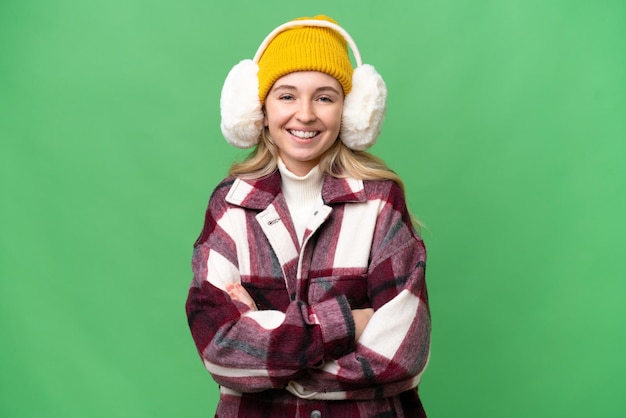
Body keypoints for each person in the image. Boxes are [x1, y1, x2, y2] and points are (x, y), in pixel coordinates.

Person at [186, 15, 431, 418]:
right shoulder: (229, 206)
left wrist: (274, 356)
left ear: (349, 112)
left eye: (324, 97)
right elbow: (221, 350)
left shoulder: (381, 202)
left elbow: (404, 353)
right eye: (286, 96)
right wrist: (350, 322)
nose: (305, 114)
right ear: (258, 110)